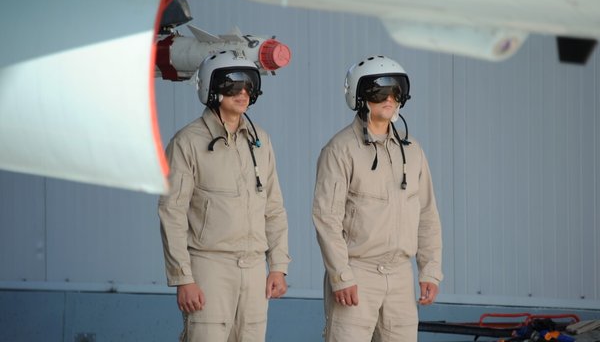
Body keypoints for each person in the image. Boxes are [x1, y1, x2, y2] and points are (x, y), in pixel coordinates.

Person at [158, 50, 291, 342]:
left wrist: (278, 267)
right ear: (211, 87)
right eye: (232, 85)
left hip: (255, 268)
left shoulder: (261, 141)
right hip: (210, 266)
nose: (242, 92)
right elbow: (172, 212)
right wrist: (184, 278)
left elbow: (274, 208)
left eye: (249, 85)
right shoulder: (187, 142)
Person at [312, 55, 443, 342]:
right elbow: (326, 219)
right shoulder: (340, 150)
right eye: (380, 91)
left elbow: (427, 214)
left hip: (400, 277)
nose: (390, 98)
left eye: (396, 91)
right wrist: (341, 276)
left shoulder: (413, 150)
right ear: (359, 96)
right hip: (358, 273)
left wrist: (430, 271)